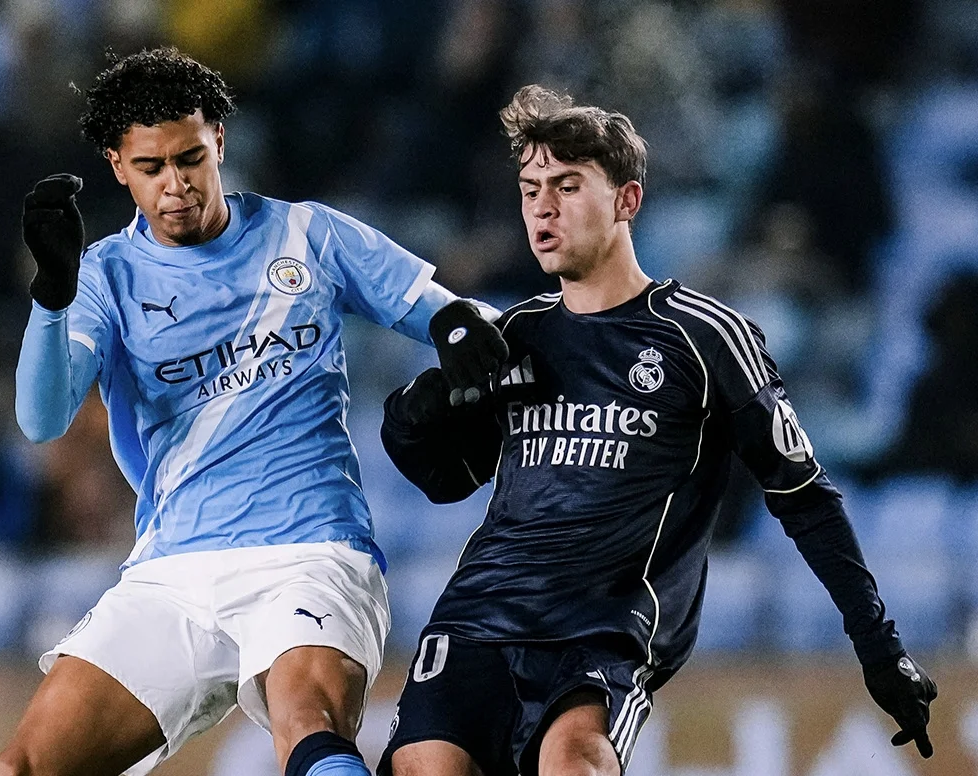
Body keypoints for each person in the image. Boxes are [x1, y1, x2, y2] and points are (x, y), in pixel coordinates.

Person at [377, 85, 938, 776]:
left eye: (567, 184)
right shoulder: (513, 335)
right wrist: (419, 406)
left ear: (627, 201)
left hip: (606, 633)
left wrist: (879, 648)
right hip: (479, 617)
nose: (542, 207)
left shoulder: (705, 337)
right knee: (427, 768)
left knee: (575, 759)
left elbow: (805, 498)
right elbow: (444, 478)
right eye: (529, 189)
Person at [0, 47, 507, 776]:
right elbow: (42, 419)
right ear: (116, 166)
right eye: (151, 168)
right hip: (173, 571)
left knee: (308, 726)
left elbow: (452, 314)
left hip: (312, 552)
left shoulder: (309, 235)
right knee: (21, 768)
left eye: (190, 158)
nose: (176, 185)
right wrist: (50, 297)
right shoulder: (104, 276)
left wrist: (461, 332)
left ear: (220, 143)